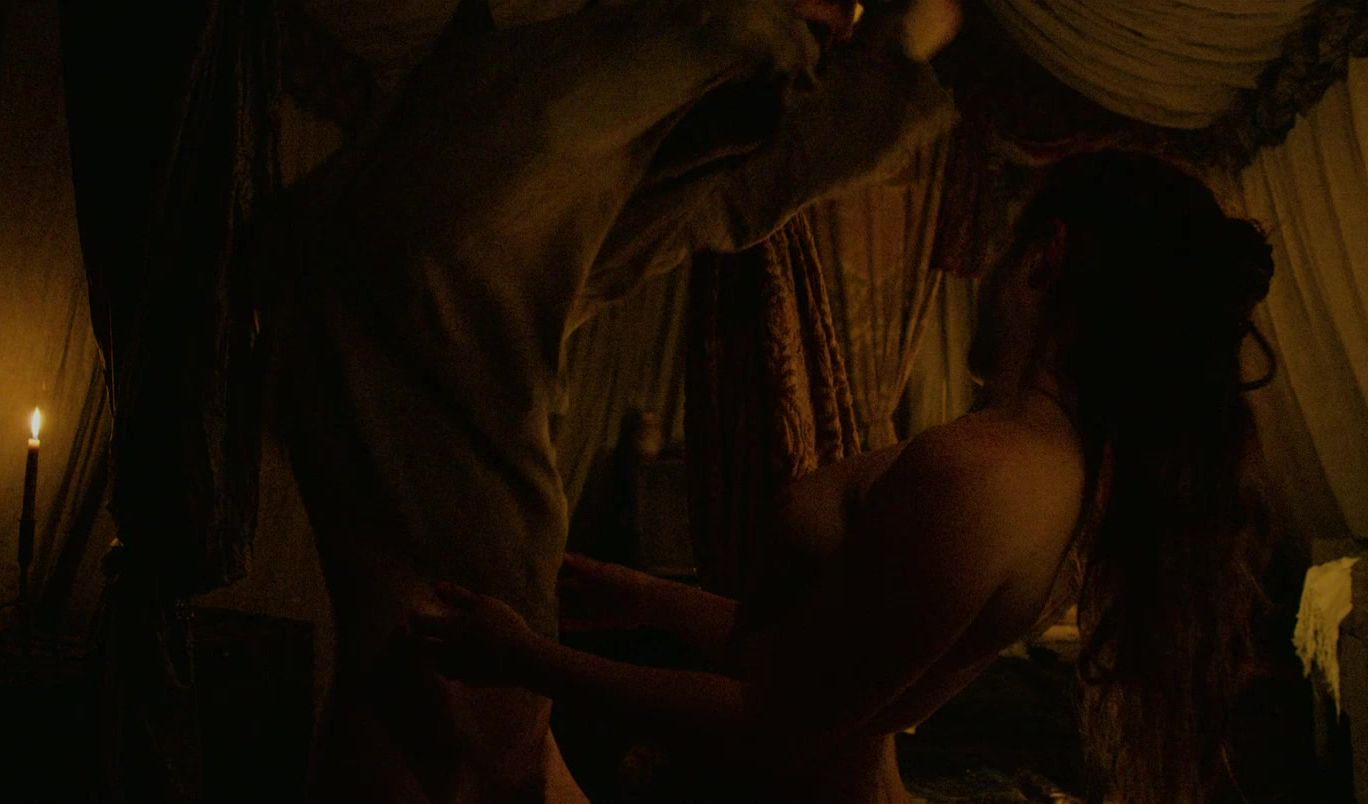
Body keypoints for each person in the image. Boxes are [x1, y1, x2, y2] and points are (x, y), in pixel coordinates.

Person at [413, 150, 1278, 803]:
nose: (983, 277)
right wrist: (647, 598)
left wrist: (524, 658)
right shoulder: (1040, 466)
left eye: (999, 250)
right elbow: (820, 662)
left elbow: (772, 723)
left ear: (1043, 259)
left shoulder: (988, 478)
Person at [270, 0, 963, 801]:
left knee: (448, 695)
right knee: (455, 699)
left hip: (413, 273)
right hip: (411, 270)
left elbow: (722, 198)